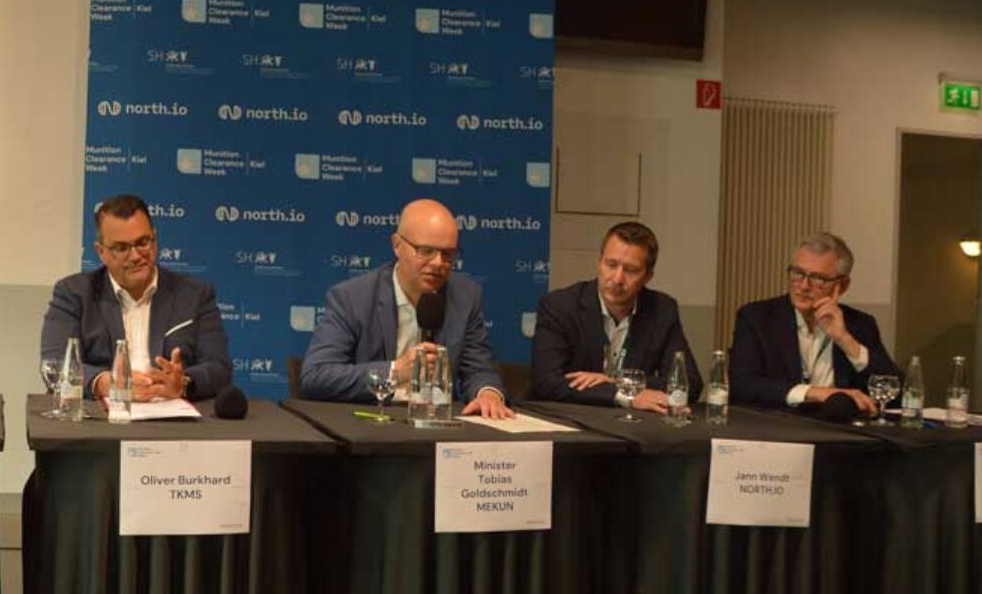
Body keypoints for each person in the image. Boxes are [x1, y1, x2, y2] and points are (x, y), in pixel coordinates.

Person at [300, 198, 511, 418]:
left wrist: (487, 393)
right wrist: (396, 371)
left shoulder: (466, 296)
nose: (438, 263)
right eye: (426, 251)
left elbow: (478, 368)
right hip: (373, 422)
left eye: (448, 254)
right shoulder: (351, 298)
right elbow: (316, 376)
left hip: (437, 423)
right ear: (397, 246)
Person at [41, 194, 231, 402]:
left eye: (142, 243)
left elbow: (219, 367)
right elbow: (55, 363)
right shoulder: (74, 294)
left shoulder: (194, 294)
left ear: (154, 240)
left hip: (171, 413)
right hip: (102, 415)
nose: (135, 256)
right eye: (121, 248)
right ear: (101, 252)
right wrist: (106, 383)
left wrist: (183, 383)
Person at [530, 221, 701, 410]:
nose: (618, 279)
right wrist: (625, 395)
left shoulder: (662, 310)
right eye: (611, 265)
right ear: (599, 262)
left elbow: (689, 383)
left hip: (635, 424)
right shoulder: (560, 306)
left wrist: (615, 380)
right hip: (571, 419)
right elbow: (546, 382)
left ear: (648, 276)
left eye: (631, 270)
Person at [730, 231, 897, 419]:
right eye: (798, 273)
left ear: (842, 285)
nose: (804, 286)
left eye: (818, 278)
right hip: (777, 427)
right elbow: (742, 385)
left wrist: (845, 340)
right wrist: (816, 392)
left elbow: (894, 392)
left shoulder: (860, 324)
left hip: (841, 431)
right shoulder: (757, 318)